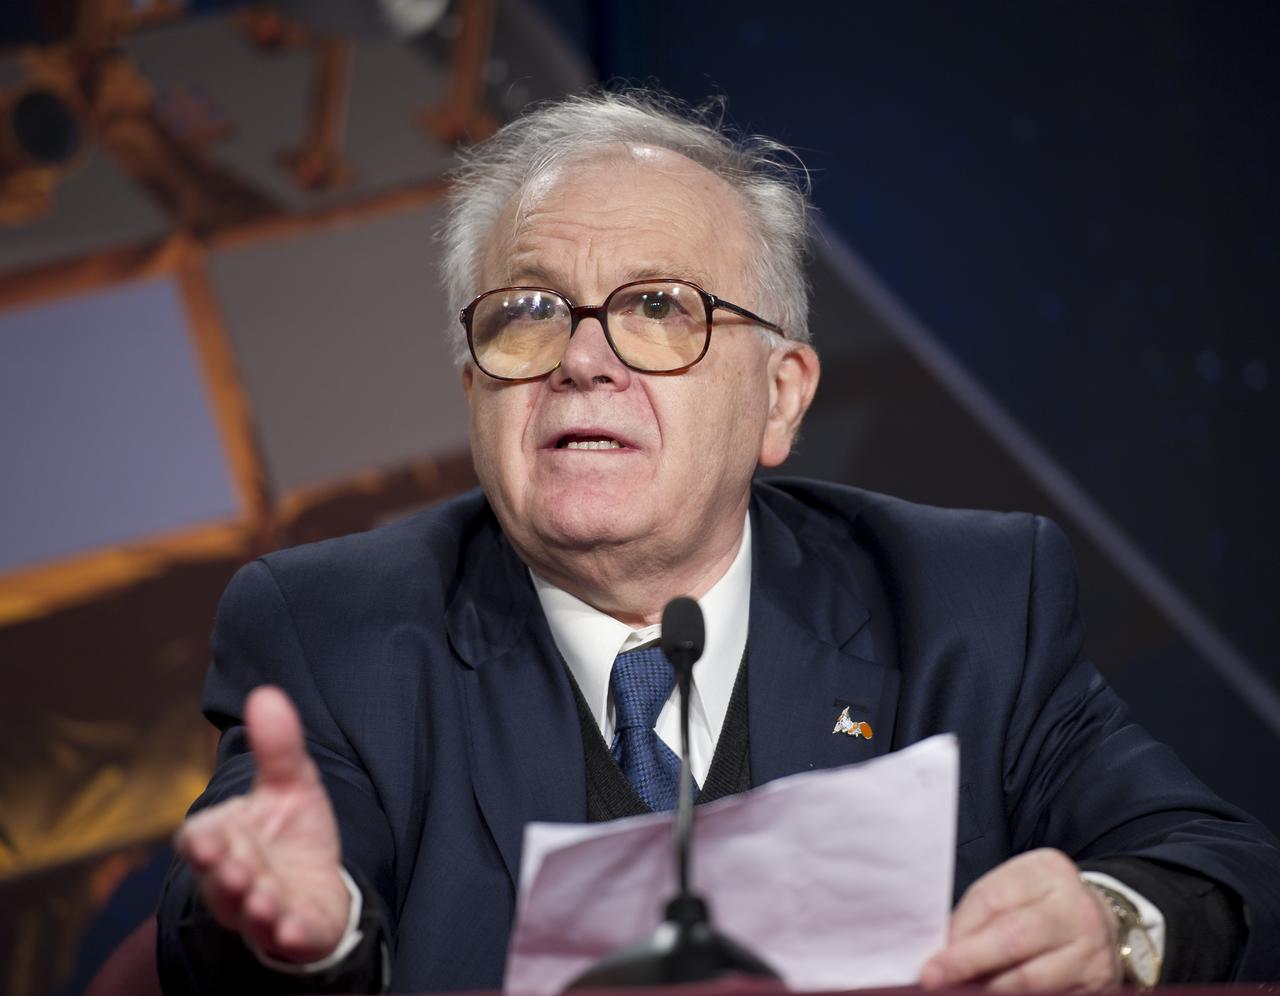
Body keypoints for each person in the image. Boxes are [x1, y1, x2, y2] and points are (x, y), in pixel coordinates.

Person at [156, 91, 1280, 994]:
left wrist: (1111, 924)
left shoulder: (966, 600)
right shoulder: (331, 633)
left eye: (656, 308)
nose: (580, 361)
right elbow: (238, 923)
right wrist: (310, 935)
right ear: (473, 392)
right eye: (527, 312)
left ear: (779, 398)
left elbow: (1216, 862)